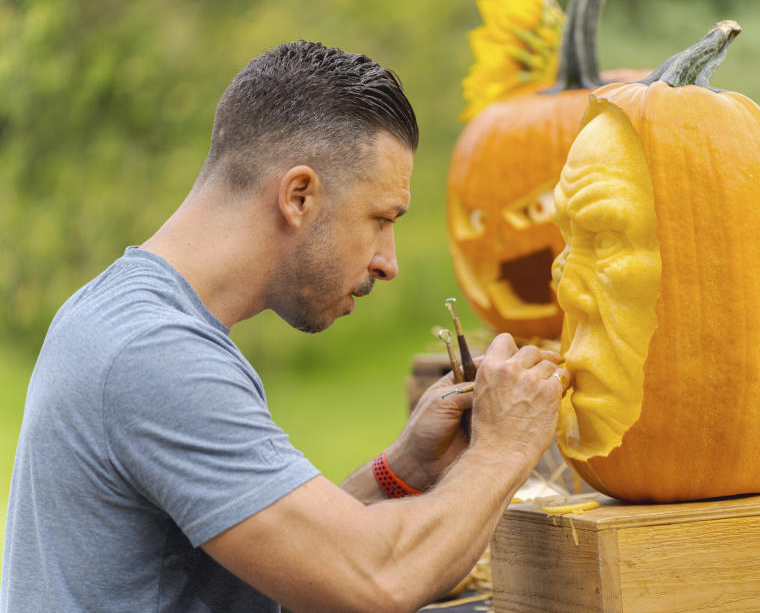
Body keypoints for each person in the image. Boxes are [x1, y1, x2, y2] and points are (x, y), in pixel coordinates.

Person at [0, 40, 567, 612]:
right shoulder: (154, 356)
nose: (388, 263)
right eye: (381, 219)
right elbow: (376, 582)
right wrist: (503, 448)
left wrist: (405, 468)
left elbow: (287, 558)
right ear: (299, 196)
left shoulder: (119, 311)